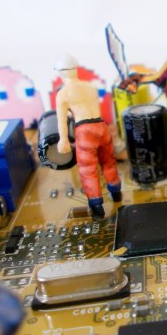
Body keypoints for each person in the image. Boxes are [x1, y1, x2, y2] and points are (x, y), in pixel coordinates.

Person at [55, 54, 122, 220]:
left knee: (88, 170)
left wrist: (63, 140)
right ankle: (116, 193)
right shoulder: (91, 87)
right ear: (76, 69)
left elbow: (62, 121)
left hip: (85, 131)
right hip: (102, 126)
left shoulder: (63, 94)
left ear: (60, 73)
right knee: (108, 161)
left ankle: (97, 207)